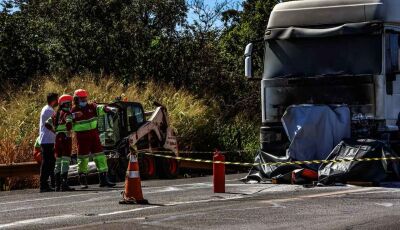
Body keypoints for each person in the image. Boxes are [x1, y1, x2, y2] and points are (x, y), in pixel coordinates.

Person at [71, 89, 116, 188]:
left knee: (100, 157)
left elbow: (99, 108)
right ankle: (83, 180)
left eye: (85, 98)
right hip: (82, 137)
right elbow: (66, 119)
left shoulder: (91, 106)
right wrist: (73, 115)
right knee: (83, 159)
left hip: (94, 135)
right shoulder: (73, 111)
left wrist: (106, 109)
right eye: (81, 98)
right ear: (76, 99)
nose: (84, 100)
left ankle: (104, 179)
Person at [45, 94, 75, 192]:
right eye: (70, 103)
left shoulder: (56, 114)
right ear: (66, 104)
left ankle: (57, 185)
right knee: (65, 161)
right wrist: (68, 130)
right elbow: (69, 124)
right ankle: (64, 184)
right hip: (65, 138)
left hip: (57, 139)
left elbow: (47, 123)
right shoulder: (67, 113)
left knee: (58, 161)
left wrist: (55, 131)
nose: (71, 105)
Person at [39, 93, 58, 192]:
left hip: (48, 140)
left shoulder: (47, 109)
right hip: (47, 140)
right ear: (54, 100)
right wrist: (56, 132)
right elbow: (49, 125)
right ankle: (43, 185)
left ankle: (50, 183)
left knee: (51, 162)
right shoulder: (48, 110)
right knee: (47, 163)